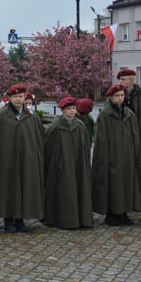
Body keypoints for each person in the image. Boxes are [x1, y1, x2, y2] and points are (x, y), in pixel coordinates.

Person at [0, 84, 44, 233]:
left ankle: (20, 219)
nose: (18, 100)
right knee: (8, 188)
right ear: (10, 98)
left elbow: (37, 140)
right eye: (15, 97)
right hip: (7, 161)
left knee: (24, 188)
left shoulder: (31, 117)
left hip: (26, 160)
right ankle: (8, 220)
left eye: (21, 97)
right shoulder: (1, 117)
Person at [91, 84, 141, 226]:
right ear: (111, 97)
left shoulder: (129, 114)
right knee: (113, 185)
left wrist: (135, 153)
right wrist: (105, 157)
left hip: (127, 156)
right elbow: (101, 138)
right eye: (117, 95)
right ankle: (112, 213)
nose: (120, 98)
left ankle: (124, 212)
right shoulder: (105, 115)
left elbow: (135, 135)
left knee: (126, 184)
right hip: (112, 155)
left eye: (122, 95)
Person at [42, 97, 93, 230]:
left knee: (78, 187)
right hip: (60, 164)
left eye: (73, 109)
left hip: (77, 164)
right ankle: (59, 218)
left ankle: (81, 217)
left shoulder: (80, 126)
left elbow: (85, 147)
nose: (72, 111)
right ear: (63, 110)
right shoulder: (56, 127)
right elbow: (47, 147)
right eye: (69, 109)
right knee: (62, 190)